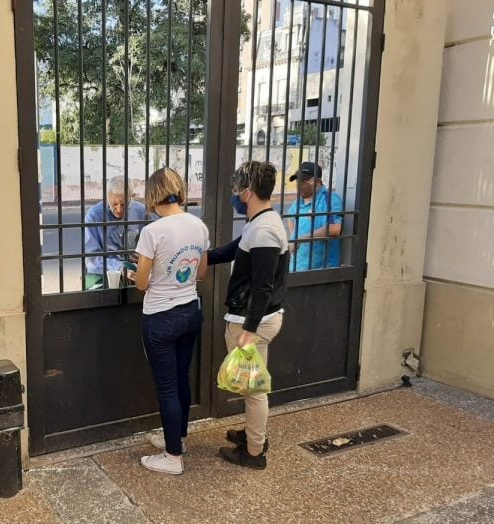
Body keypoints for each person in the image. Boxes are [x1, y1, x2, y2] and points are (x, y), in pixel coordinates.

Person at [205, 161, 289, 469]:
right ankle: (254, 434)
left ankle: (255, 452)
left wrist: (249, 330)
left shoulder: (265, 229)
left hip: (254, 322)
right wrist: (205, 256)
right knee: (252, 386)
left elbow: (262, 286)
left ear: (248, 192)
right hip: (256, 320)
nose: (234, 195)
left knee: (254, 390)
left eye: (237, 190)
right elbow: (236, 249)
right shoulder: (262, 222)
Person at [129, 167, 209, 475]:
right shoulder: (198, 225)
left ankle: (173, 457)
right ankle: (179, 438)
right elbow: (200, 272)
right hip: (190, 310)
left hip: (160, 317)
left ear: (153, 195)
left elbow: (141, 283)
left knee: (166, 387)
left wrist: (139, 273)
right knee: (181, 379)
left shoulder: (153, 231)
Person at [84, 176, 147, 289]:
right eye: (114, 204)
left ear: (131, 198)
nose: (118, 210)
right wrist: (119, 267)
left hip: (133, 271)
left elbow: (152, 244)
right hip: (102, 273)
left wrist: (142, 255)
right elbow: (92, 259)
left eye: (123, 204)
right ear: (107, 197)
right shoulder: (94, 215)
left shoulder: (141, 212)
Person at [287, 161, 343, 271]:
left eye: (304, 181)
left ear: (318, 182)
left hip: (320, 271)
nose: (299, 185)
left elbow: (334, 229)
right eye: (298, 181)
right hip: (296, 267)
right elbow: (290, 218)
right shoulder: (299, 202)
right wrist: (293, 237)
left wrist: (301, 239)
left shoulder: (329, 199)